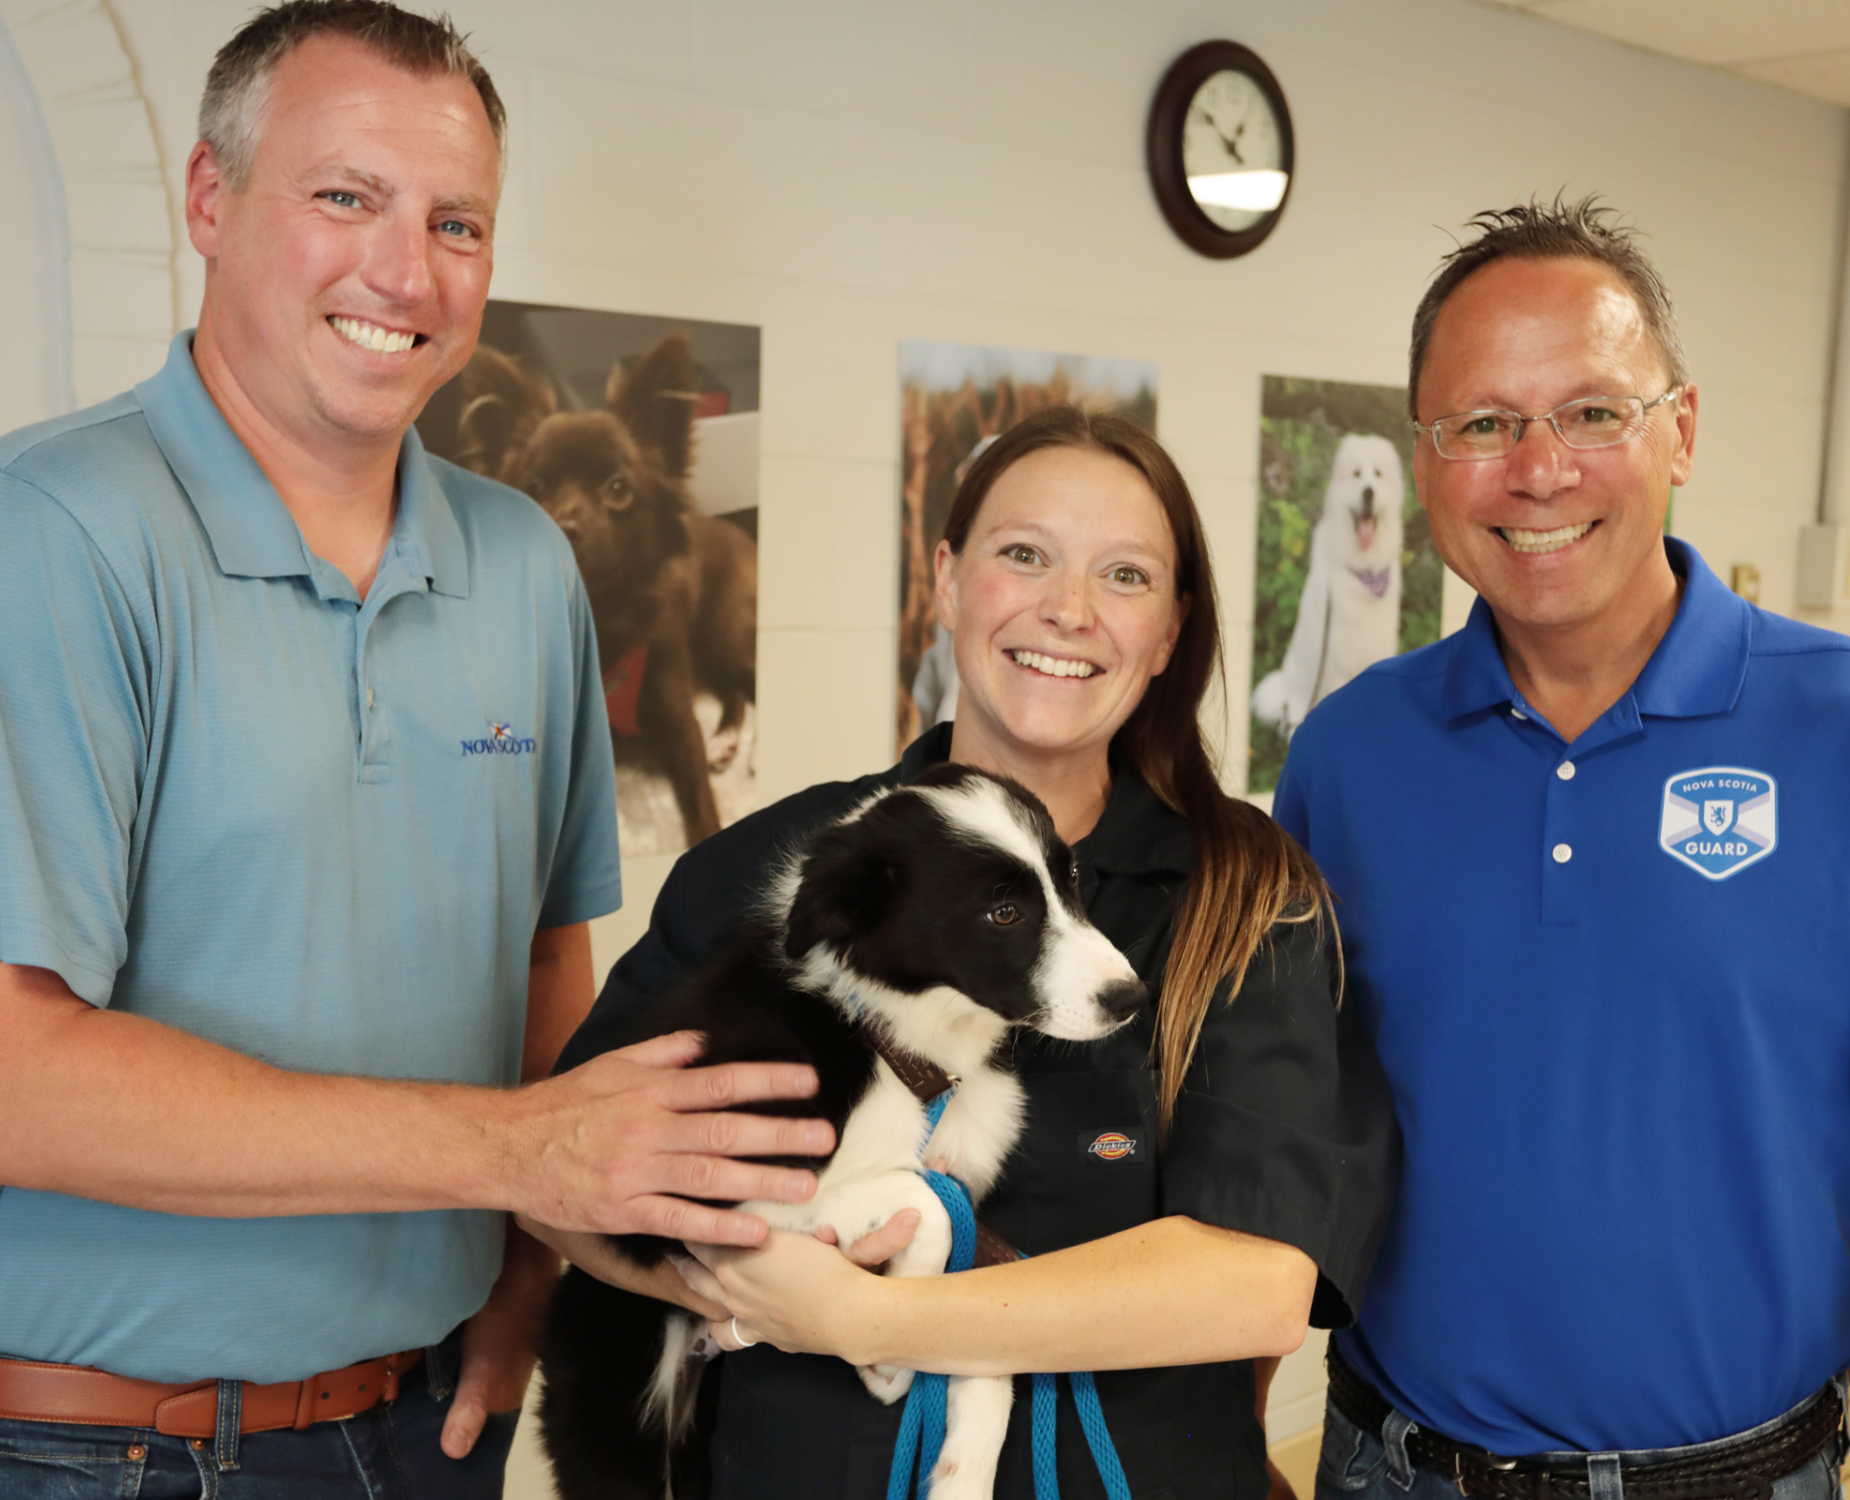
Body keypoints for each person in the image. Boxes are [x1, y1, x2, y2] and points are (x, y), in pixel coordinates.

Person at [0, 3, 835, 1494]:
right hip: (99, 1447)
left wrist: (525, 1279)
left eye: (458, 222)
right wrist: (510, 1158)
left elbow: (548, 968)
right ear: (211, 201)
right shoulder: (45, 532)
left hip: (427, 1427)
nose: (405, 271)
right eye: (345, 196)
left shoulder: (524, 566)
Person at [530, 405, 1399, 1500]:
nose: (1067, 610)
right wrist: (748, 1274)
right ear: (945, 582)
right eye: (1022, 554)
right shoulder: (784, 872)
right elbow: (564, 1176)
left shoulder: (1245, 902)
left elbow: (1259, 1284)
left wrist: (873, 1317)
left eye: (1123, 576)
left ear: (1170, 630)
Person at [1272, 199, 1850, 1500]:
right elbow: (1283, 1127)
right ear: (1424, 460)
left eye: (1593, 412)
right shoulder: (1347, 760)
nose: (1539, 470)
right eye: (1483, 424)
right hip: (1392, 1468)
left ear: (1680, 430)